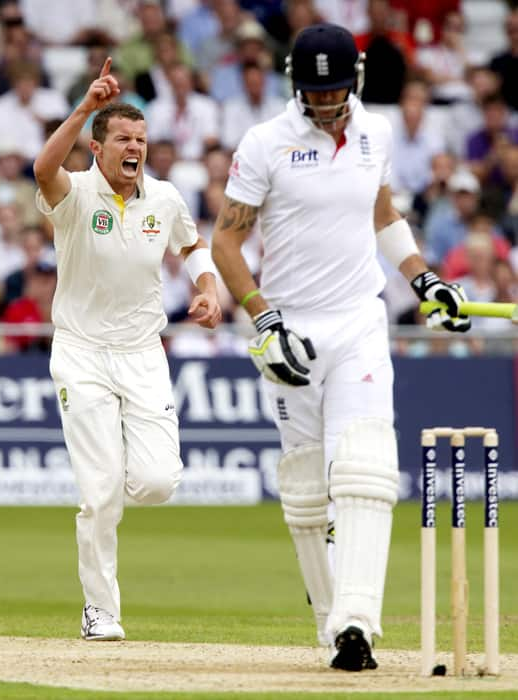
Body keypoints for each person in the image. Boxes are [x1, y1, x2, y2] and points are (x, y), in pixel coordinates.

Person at [211, 23, 470, 672]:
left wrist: (423, 276)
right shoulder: (265, 143)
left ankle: (357, 619)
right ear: (295, 86)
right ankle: (333, 625)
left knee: (365, 465)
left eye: (336, 91)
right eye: (315, 92)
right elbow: (225, 245)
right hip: (291, 327)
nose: (327, 105)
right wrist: (264, 319)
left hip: (358, 319)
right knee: (305, 489)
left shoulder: (375, 132)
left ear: (353, 79)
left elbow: (382, 215)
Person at [33, 57, 221, 641]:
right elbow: (42, 169)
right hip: (82, 351)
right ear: (98, 147)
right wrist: (87, 106)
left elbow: (192, 247)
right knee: (100, 491)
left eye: (140, 138)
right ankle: (101, 612)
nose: (134, 146)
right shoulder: (75, 194)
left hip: (142, 352)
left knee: (158, 482)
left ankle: (114, 472)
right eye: (122, 138)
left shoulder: (163, 198)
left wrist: (208, 287)